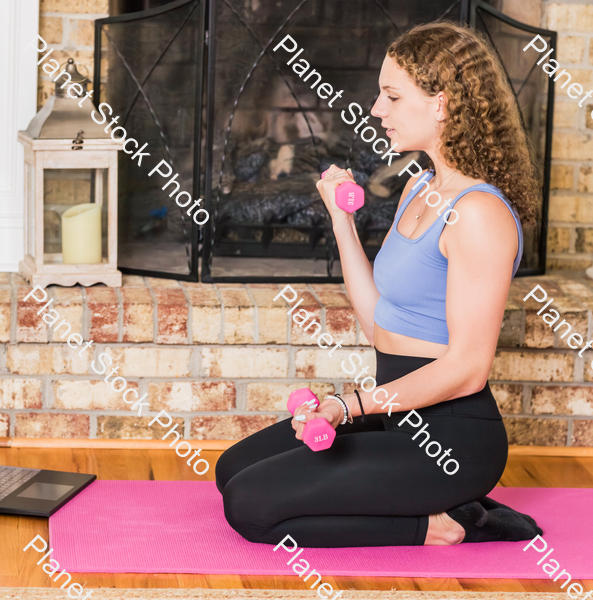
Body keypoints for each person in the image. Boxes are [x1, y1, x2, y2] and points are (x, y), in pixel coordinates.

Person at [215, 21, 544, 548]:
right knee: (232, 471)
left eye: (392, 96)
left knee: (250, 508)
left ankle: (444, 523)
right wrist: (341, 223)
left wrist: (349, 407)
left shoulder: (479, 214)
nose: (376, 110)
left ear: (442, 104)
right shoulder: (419, 185)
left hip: (451, 440)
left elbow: (468, 369)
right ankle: (414, 499)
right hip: (396, 417)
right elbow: (378, 322)